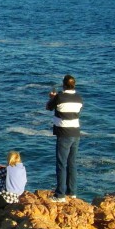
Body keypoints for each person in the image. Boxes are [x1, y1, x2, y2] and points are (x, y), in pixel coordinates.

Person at [45, 74, 83, 203]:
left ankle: (60, 194)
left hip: (64, 133)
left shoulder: (60, 97)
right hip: (76, 132)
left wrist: (52, 98)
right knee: (72, 163)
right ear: (74, 85)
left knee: (61, 163)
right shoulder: (79, 98)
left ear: (64, 84)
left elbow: (48, 107)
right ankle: (72, 192)